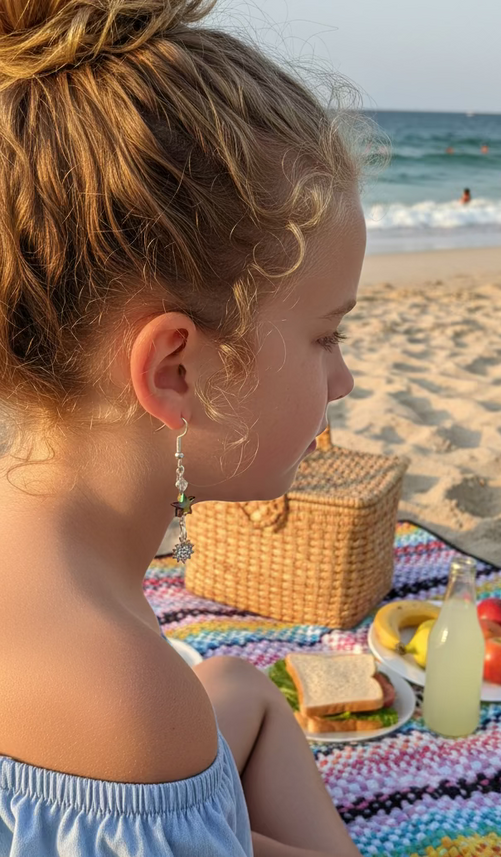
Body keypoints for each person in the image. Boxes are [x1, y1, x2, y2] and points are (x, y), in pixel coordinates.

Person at [0, 1, 367, 856]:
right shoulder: (131, 700)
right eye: (326, 336)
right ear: (175, 371)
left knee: (239, 682)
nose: (342, 381)